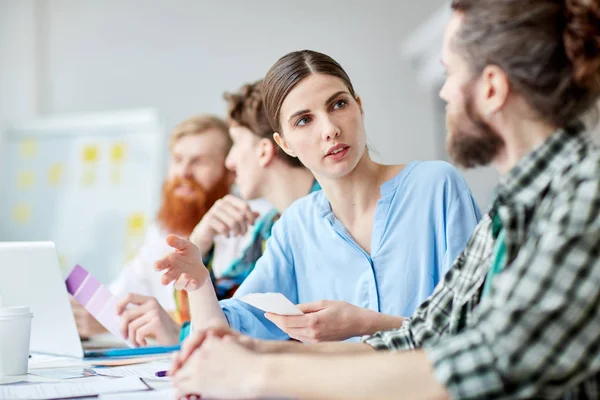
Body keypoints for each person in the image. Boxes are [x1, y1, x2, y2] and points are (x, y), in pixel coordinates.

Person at [168, 0, 600, 399]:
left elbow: (496, 360)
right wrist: (262, 354)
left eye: (449, 74)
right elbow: (423, 335)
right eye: (304, 120)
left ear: (490, 89)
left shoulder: (583, 197)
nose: (444, 93)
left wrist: (258, 374)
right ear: (283, 141)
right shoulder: (512, 209)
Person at [155, 50, 481, 344]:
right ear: (285, 144)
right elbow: (225, 333)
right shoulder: (295, 226)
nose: (329, 129)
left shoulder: (436, 187)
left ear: (359, 107)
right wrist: (198, 280)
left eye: (338, 104)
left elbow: (482, 329)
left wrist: (370, 325)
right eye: (304, 120)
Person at [71, 115, 270, 346]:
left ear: (230, 170)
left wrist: (116, 320)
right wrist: (83, 310)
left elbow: (239, 321)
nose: (183, 172)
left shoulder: (255, 224)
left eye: (199, 161)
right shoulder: (164, 228)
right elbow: (124, 292)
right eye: (177, 159)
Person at [177, 79, 320, 340]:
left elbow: (218, 329)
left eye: (236, 142)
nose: (229, 162)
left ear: (265, 150)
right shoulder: (271, 225)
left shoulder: (325, 217)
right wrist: (200, 243)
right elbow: (221, 310)